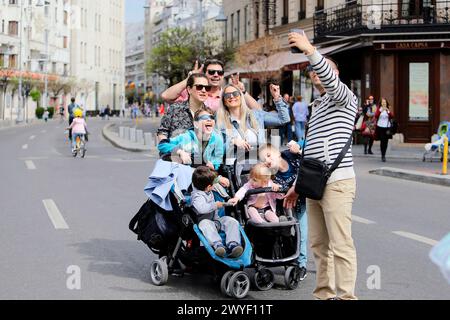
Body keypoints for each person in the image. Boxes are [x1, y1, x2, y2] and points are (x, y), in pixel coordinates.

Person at [284, 31, 358, 300]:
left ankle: (347, 297)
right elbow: (311, 153)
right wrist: (297, 184)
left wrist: (310, 50)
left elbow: (330, 78)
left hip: (337, 181)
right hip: (314, 183)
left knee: (341, 244)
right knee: (319, 245)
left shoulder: (345, 98)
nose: (316, 72)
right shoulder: (317, 106)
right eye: (313, 70)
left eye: (322, 68)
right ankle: (324, 295)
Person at [258, 142, 308, 281]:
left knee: (302, 233)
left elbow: (311, 158)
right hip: (283, 204)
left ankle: (301, 264)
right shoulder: (270, 175)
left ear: (278, 153)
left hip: (301, 201)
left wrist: (299, 151)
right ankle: (288, 258)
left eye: (268, 156)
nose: (267, 161)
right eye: (263, 160)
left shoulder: (291, 155)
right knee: (284, 231)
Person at [215, 83, 290, 164]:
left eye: (235, 94)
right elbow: (216, 151)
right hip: (234, 172)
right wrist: (232, 142)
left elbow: (284, 119)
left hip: (259, 167)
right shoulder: (220, 122)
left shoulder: (256, 115)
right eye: (227, 95)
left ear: (241, 97)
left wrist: (277, 98)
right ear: (224, 101)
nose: (232, 96)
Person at [161, 59, 260, 112]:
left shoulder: (229, 95)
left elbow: (258, 111)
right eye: (212, 72)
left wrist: (243, 91)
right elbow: (166, 96)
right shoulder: (194, 93)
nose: (216, 75)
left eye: (219, 72)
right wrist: (189, 78)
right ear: (204, 74)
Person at [191, 166, 243, 258]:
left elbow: (218, 188)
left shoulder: (208, 188)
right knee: (205, 224)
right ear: (208, 187)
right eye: (213, 184)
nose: (215, 185)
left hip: (216, 220)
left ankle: (233, 244)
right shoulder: (197, 196)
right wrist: (215, 205)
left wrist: (227, 200)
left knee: (232, 221)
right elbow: (201, 209)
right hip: (205, 222)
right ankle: (218, 245)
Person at [158, 107, 224, 171]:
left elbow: (217, 159)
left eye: (211, 117)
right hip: (185, 173)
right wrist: (180, 152)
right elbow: (162, 144)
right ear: (196, 124)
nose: (209, 119)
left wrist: (214, 166)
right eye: (204, 118)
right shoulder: (186, 137)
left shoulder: (217, 139)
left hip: (204, 176)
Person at [157, 73, 210, 142]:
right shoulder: (175, 109)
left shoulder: (210, 114)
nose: (204, 90)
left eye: (207, 88)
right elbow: (162, 133)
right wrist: (171, 149)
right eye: (199, 87)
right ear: (189, 89)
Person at [374, 97, 394, 162]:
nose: (383, 103)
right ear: (381, 103)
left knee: (386, 141)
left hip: (387, 127)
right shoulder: (379, 108)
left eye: (385, 102)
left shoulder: (388, 108)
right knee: (382, 141)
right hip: (380, 127)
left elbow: (392, 116)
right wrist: (380, 110)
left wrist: (387, 110)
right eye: (382, 102)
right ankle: (383, 155)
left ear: (386, 103)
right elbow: (376, 116)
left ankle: (384, 154)